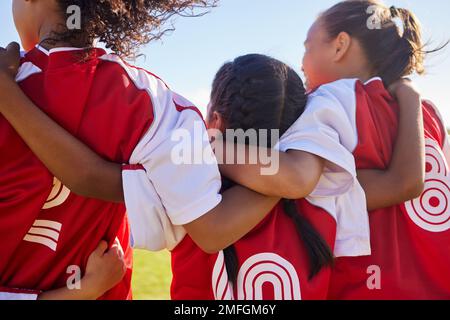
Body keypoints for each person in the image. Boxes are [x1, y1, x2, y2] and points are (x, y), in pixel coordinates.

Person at [0, 36, 422, 300]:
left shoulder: (187, 185)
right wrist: (407, 92)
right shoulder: (324, 186)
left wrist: (8, 96)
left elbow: (87, 175)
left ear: (214, 119)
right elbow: (405, 182)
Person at [295, 0, 449, 299]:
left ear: (340, 46)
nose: (302, 62)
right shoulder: (429, 114)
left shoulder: (327, 101)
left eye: (307, 47)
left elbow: (304, 188)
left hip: (364, 288)